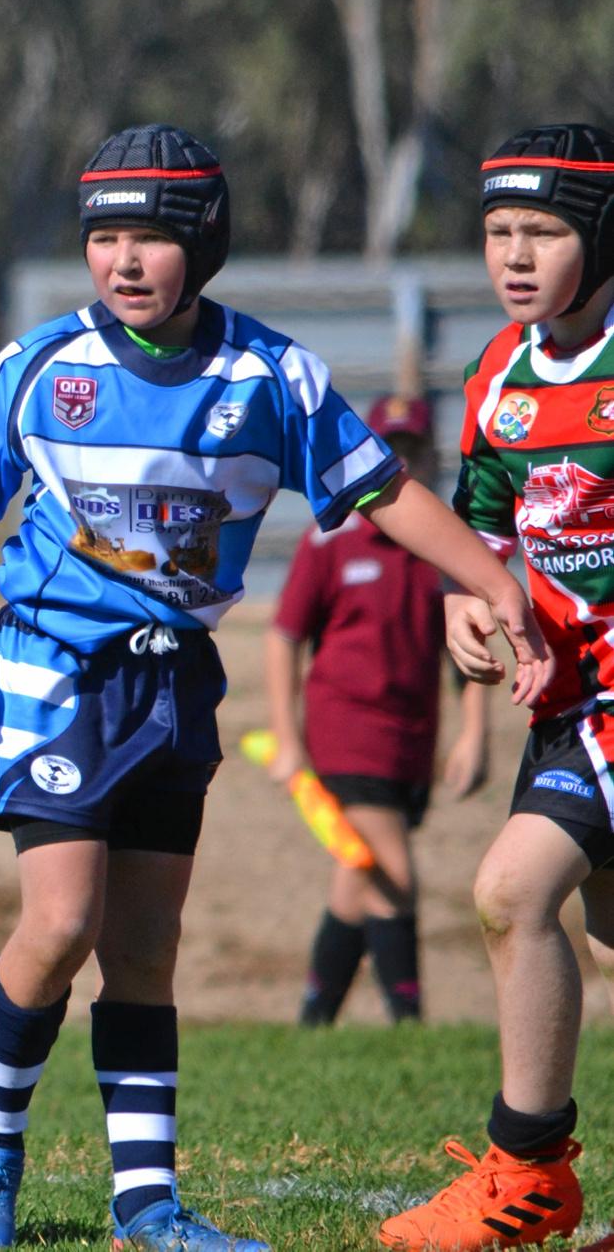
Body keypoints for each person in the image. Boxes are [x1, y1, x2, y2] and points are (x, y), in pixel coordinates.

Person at [0, 125, 547, 1252]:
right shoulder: (45, 365)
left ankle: (147, 1208)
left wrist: (488, 574)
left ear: (207, 242)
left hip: (176, 683)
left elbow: (379, 491)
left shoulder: (269, 375)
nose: (125, 261)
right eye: (106, 238)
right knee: (62, 919)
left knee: (144, 946)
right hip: (54, 667)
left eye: (152, 237)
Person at [382, 125, 614, 1251]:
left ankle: (527, 1176)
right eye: (497, 233)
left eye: (547, 231)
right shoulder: (496, 376)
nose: (515, 255)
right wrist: (464, 610)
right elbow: (479, 531)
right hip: (568, 702)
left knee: (511, 892)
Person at [265, 394, 486, 1028]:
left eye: (411, 449)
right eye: (389, 448)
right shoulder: (331, 539)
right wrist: (288, 738)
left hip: (411, 742)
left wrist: (474, 734)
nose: (401, 462)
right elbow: (284, 637)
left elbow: (463, 653)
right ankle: (406, 1017)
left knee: (356, 878)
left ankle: (316, 1017)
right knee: (388, 868)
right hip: (346, 734)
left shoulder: (442, 547)